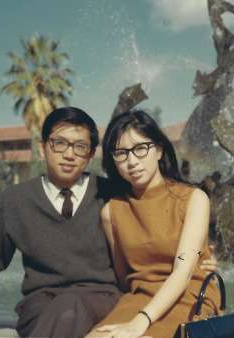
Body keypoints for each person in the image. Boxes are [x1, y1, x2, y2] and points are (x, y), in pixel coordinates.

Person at [0, 107, 217, 338]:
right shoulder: (20, 201)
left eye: (80, 146)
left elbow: (166, 244)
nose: (69, 154)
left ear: (91, 154)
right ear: (43, 148)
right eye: (59, 143)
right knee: (67, 310)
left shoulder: (109, 194)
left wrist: (198, 259)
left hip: (103, 299)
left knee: (72, 307)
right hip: (46, 304)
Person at [86, 110, 220, 338]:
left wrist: (141, 321)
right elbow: (123, 277)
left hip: (188, 294)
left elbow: (183, 272)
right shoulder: (111, 212)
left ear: (158, 150)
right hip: (138, 298)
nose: (132, 161)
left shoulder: (193, 199)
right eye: (122, 153)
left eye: (140, 149)